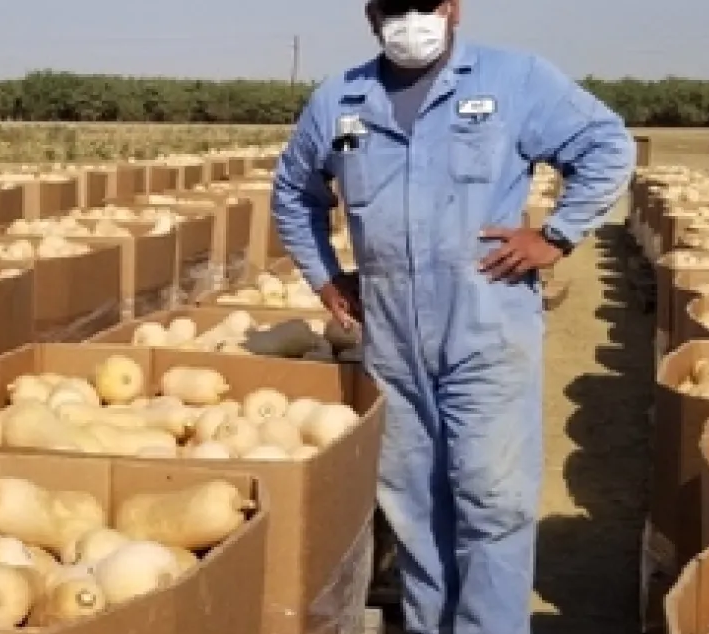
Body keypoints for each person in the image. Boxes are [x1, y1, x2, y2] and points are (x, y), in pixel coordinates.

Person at [269, 1, 635, 632]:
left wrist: (557, 234)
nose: (410, 18)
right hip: (391, 337)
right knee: (412, 503)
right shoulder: (341, 100)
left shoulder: (514, 79)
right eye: (395, 7)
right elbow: (293, 193)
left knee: (492, 502)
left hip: (487, 330)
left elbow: (607, 145)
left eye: (425, 4)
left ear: (452, 9)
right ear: (372, 15)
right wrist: (325, 276)